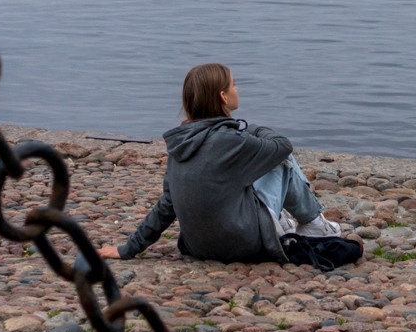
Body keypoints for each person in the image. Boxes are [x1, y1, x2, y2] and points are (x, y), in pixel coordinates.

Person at [119, 63, 341, 263]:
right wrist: (251, 128)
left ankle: (283, 222)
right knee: (280, 159)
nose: (237, 90)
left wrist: (129, 248)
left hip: (200, 247)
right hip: (243, 244)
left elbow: (167, 204)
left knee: (249, 165)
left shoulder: (179, 144)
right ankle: (314, 224)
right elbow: (283, 145)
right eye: (233, 85)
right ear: (223, 97)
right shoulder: (230, 141)